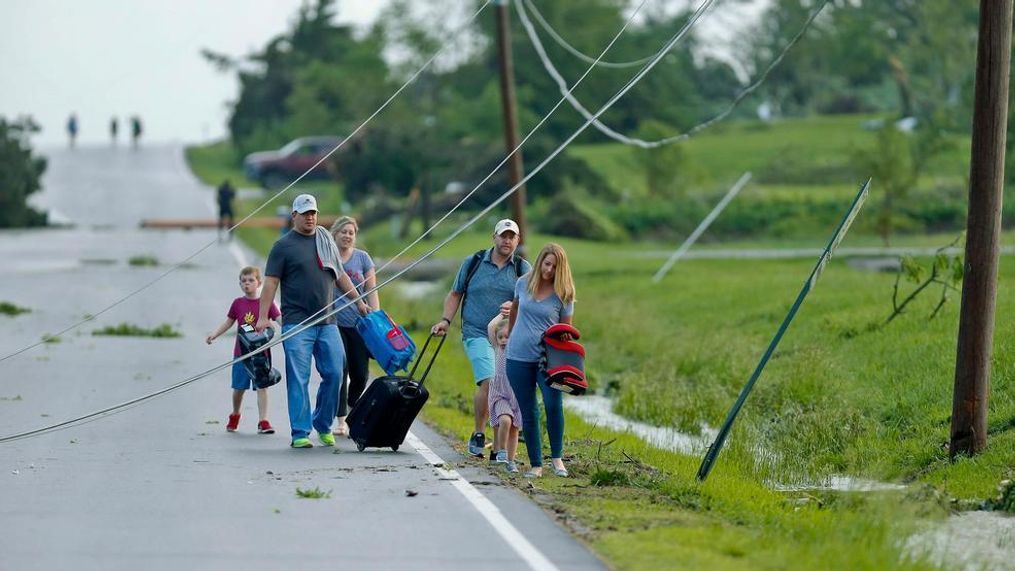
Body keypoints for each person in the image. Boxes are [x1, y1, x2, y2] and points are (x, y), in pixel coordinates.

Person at [255, 194, 369, 449]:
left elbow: (340, 276)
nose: (310, 218)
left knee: (335, 373)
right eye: (305, 213)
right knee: (299, 377)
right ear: (294, 216)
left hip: (328, 322)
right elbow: (271, 282)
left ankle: (322, 423)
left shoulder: (325, 239)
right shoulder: (283, 246)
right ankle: (300, 432)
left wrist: (360, 302)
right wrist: (263, 316)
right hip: (297, 323)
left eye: (313, 213)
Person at [431, 219, 530, 457]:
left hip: (507, 338)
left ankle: (499, 448)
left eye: (512, 237)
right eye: (503, 236)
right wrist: (445, 320)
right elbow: (456, 293)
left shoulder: (522, 268)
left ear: (517, 241)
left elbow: (533, 300)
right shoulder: (473, 262)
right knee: (489, 380)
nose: (507, 241)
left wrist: (516, 304)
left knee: (505, 388)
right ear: (493, 237)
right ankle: (478, 432)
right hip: (475, 333)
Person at [506, 243, 575, 478]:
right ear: (539, 262)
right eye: (547, 264)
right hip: (517, 356)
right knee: (529, 411)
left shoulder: (564, 293)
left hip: (549, 361)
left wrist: (564, 334)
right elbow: (515, 310)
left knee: (554, 405)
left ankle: (557, 459)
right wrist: (509, 332)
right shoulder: (522, 283)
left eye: (555, 267)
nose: (549, 270)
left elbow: (567, 328)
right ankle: (536, 464)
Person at [205, 266, 281, 434]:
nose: (247, 284)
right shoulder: (238, 304)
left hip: (262, 355)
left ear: (259, 283)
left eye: (251, 280)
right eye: (243, 281)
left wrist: (290, 329)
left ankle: (263, 421)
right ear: (240, 284)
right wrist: (215, 334)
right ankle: (235, 414)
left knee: (262, 386)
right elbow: (229, 322)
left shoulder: (266, 302)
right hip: (242, 355)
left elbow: (279, 318)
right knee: (239, 388)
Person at [329, 216, 379, 436]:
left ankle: (352, 406)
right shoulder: (328, 258)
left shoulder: (363, 258)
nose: (348, 236)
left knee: (360, 373)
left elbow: (372, 290)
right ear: (335, 234)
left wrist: (376, 318)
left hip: (359, 324)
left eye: (351, 233)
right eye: (344, 232)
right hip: (334, 323)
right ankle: (340, 420)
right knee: (341, 369)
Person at [487, 313, 521, 473]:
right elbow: (491, 327)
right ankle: (500, 450)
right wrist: (504, 313)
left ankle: (510, 461)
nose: (503, 340)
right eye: (500, 337)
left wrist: (518, 313)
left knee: (514, 429)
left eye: (507, 337)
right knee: (505, 421)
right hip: (500, 393)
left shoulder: (517, 348)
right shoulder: (497, 348)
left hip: (517, 394)